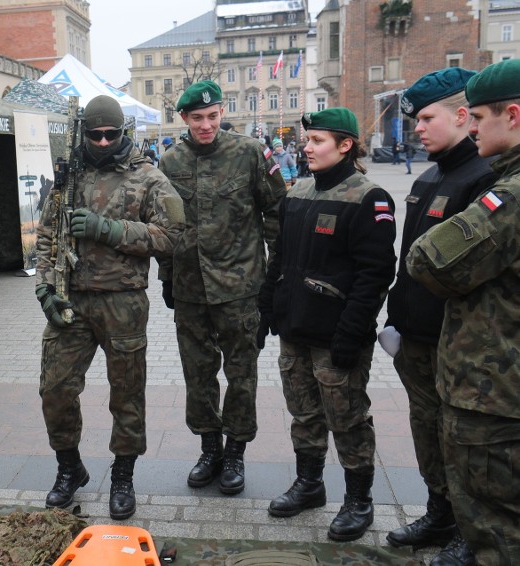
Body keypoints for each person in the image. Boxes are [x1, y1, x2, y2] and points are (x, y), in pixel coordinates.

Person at [35, 94, 184, 521]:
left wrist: (110, 229)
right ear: (84, 133)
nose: (102, 142)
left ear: (122, 132)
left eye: (110, 135)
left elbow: (174, 235)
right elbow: (46, 236)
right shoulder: (68, 176)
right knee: (55, 388)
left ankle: (123, 476)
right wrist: (46, 288)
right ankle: (70, 468)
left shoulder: (148, 177)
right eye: (94, 135)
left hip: (123, 302)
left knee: (127, 396)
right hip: (71, 301)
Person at [258, 108, 397, 542]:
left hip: (336, 337)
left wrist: (352, 334)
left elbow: (375, 275)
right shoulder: (297, 191)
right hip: (296, 331)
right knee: (304, 414)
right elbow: (279, 258)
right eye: (307, 139)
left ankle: (359, 501)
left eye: (317, 140)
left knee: (348, 419)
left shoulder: (368, 198)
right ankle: (309, 484)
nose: (306, 146)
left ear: (345, 145)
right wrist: (267, 311)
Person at [407, 57, 520, 566]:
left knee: (496, 523)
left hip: (494, 386)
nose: (472, 127)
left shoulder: (508, 192)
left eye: (477, 117)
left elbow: (428, 260)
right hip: (483, 373)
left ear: (512, 115)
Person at [385, 67, 497, 564]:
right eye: (416, 120)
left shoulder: (483, 178)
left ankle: (470, 531)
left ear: (460, 115)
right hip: (415, 337)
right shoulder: (431, 176)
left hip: (456, 342)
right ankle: (439, 511)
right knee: (426, 431)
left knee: (462, 443)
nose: (418, 129)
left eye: (428, 118)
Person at [158, 80, 286, 496]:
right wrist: (167, 278)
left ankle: (235, 452)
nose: (207, 125)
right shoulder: (170, 162)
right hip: (191, 288)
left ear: (222, 113)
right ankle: (209, 446)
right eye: (198, 118)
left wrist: (272, 275)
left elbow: (276, 210)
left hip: (240, 287)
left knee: (241, 372)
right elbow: (164, 226)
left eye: (213, 116)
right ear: (184, 119)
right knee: (198, 373)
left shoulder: (249, 153)